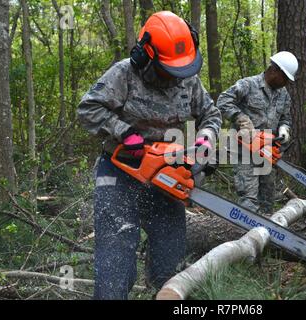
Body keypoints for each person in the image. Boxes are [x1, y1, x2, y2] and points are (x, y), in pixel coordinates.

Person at [77, 11, 222, 299]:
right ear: (147, 56)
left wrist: (205, 141)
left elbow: (211, 113)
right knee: (115, 264)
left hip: (165, 173)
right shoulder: (123, 75)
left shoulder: (189, 81)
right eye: (169, 69)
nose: (174, 76)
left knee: (170, 260)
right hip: (120, 173)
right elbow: (88, 109)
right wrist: (124, 132)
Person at [217, 51, 298, 214]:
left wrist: (284, 129)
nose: (286, 84)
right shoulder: (248, 85)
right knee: (249, 200)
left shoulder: (283, 95)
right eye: (285, 79)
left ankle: (267, 235)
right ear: (274, 70)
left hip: (267, 151)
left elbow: (286, 118)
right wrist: (242, 119)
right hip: (245, 152)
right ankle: (248, 236)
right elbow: (222, 101)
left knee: (267, 202)